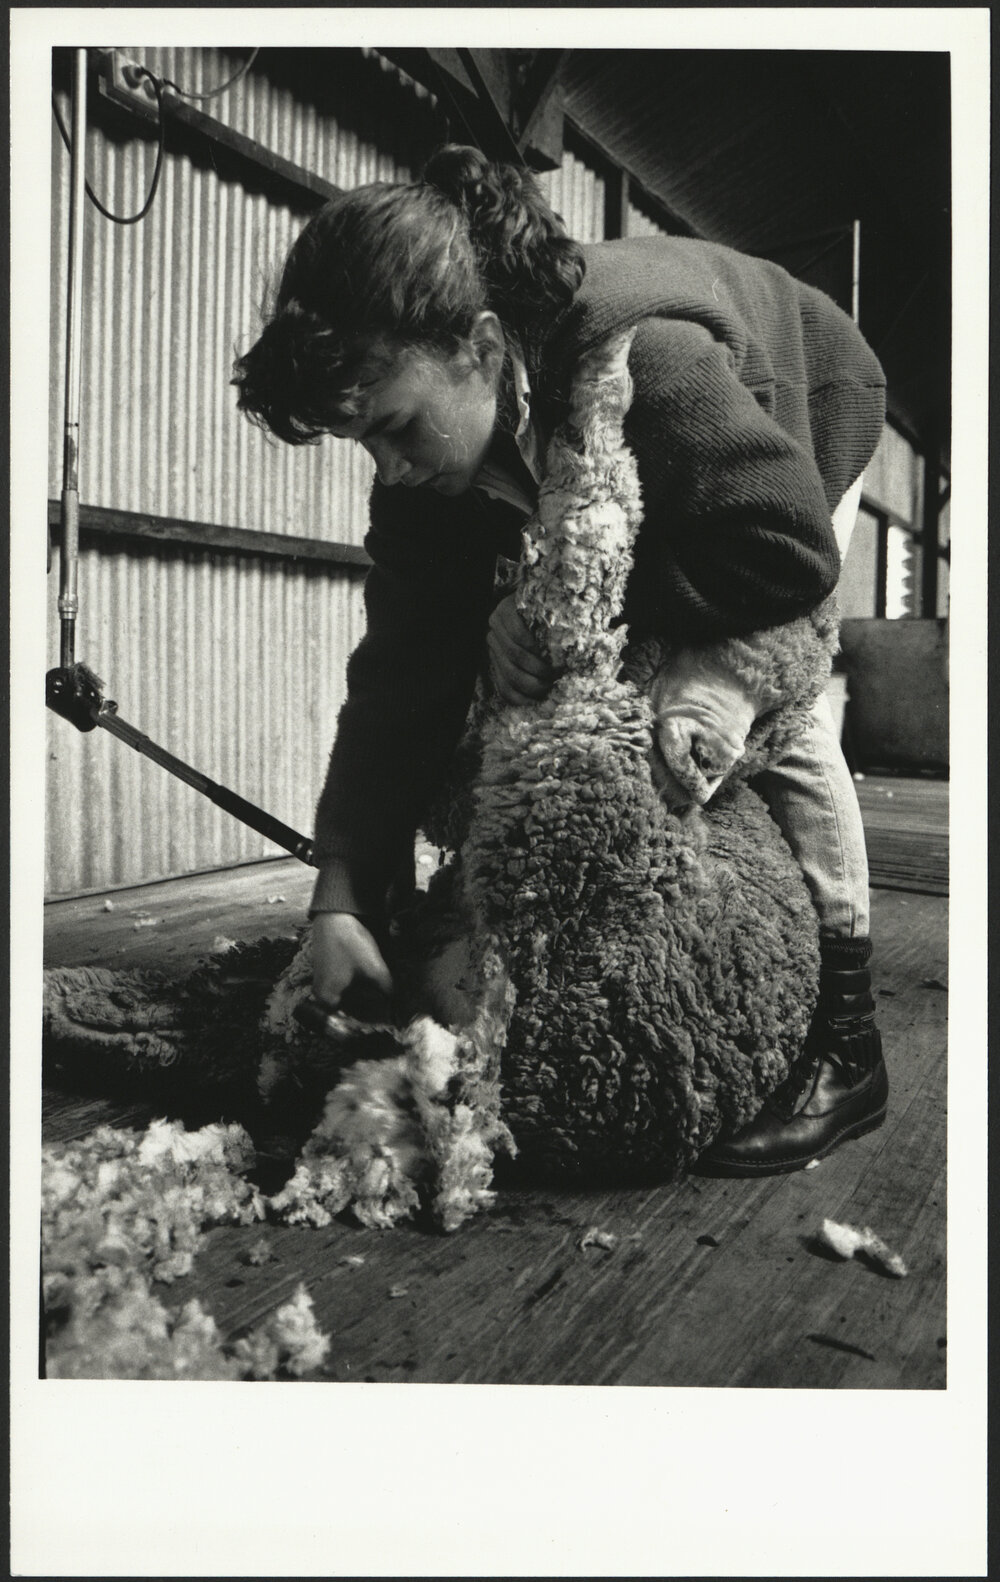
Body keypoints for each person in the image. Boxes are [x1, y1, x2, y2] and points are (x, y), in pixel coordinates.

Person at [233, 144, 888, 1177]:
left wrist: (541, 607)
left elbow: (787, 555)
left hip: (799, 401)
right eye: (366, 444)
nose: (390, 468)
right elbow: (397, 680)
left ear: (484, 348)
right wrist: (343, 895)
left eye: (397, 427)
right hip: (644, 463)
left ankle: (847, 1040)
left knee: (776, 698)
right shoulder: (421, 480)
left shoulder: (653, 363)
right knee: (564, 666)